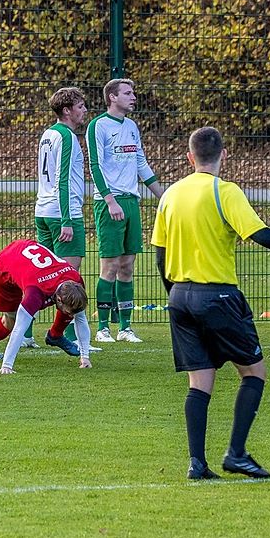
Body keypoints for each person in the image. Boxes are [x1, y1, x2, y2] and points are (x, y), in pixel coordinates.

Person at [151, 126, 270, 480]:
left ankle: (197, 464)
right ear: (224, 155)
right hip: (218, 295)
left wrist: (175, 294)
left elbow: (159, 254)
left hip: (180, 296)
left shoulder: (170, 193)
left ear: (189, 156)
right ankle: (237, 453)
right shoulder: (224, 191)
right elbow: (260, 235)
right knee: (254, 372)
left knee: (200, 381)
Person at [86, 78, 164, 343]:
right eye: (127, 93)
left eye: (133, 92)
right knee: (109, 266)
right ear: (112, 97)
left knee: (128, 266)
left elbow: (141, 162)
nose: (133, 97)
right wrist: (109, 200)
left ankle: (126, 328)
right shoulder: (98, 126)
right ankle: (103, 327)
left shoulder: (131, 126)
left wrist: (163, 197)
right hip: (110, 202)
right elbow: (95, 166)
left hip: (131, 201)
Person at [0, 239, 93, 374]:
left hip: (28, 257)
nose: (72, 316)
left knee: (72, 308)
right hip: (6, 263)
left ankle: (55, 336)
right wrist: (7, 366)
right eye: (70, 313)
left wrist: (85, 357)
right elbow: (19, 328)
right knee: (11, 320)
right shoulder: (35, 293)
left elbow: (80, 318)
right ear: (58, 298)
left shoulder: (75, 280)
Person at [30, 86, 89, 347]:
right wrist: (67, 219)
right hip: (63, 214)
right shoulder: (65, 136)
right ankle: (69, 337)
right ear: (67, 110)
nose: (84, 110)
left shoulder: (48, 134)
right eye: (80, 106)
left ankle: (25, 334)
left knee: (41, 277)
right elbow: (62, 179)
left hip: (43, 211)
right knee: (71, 279)